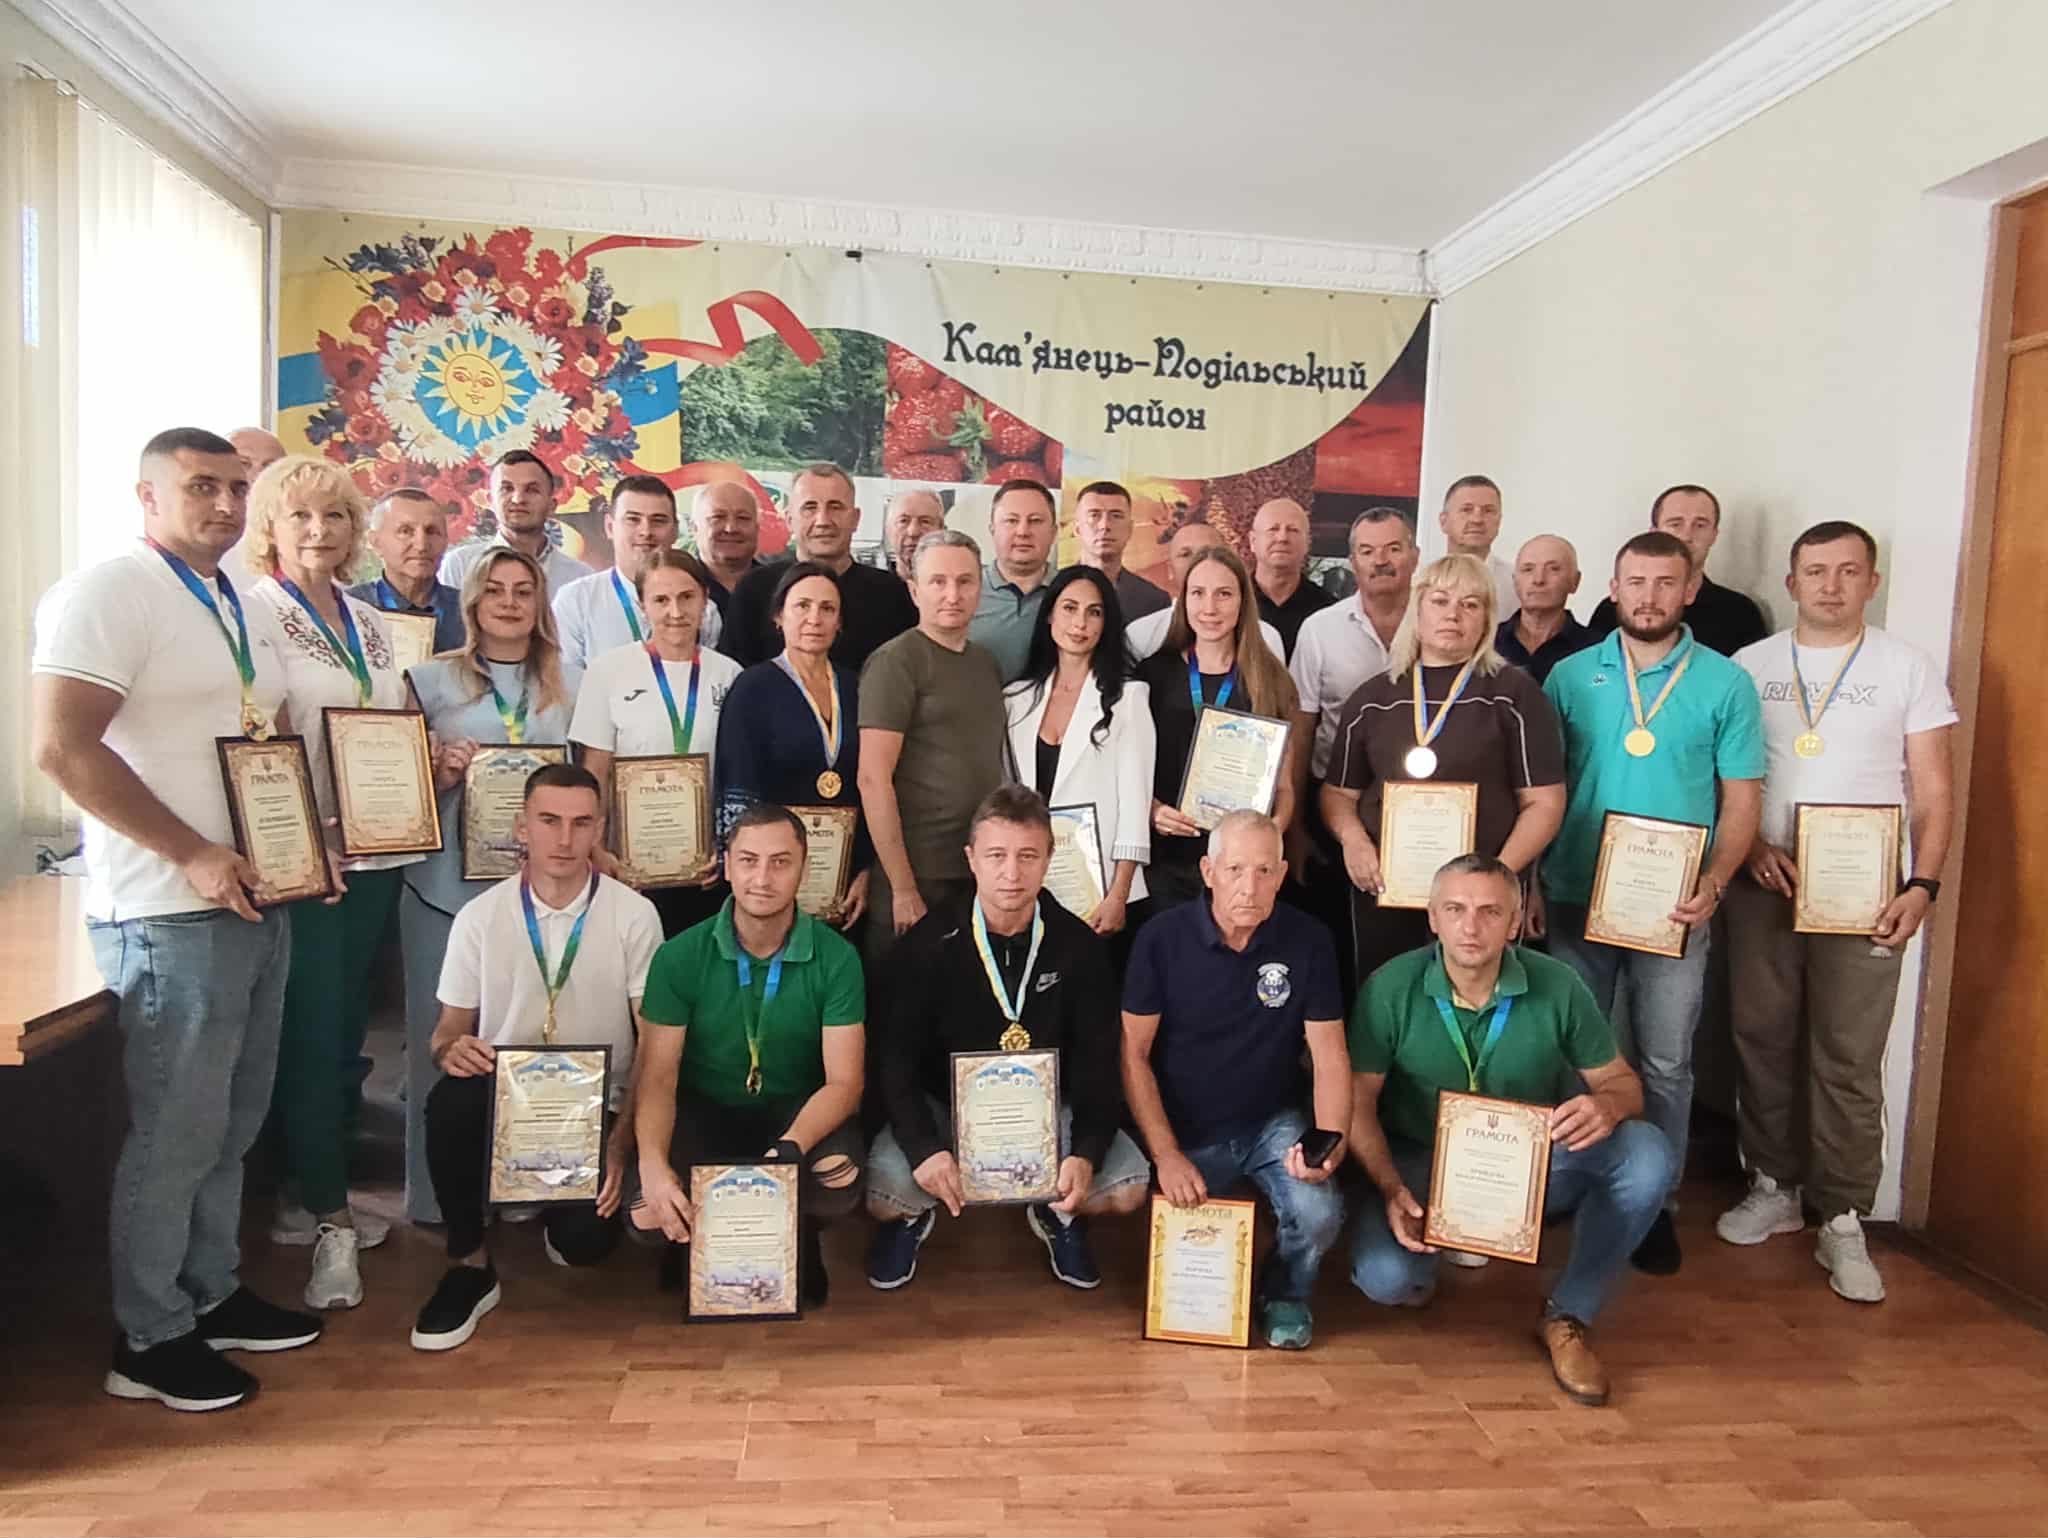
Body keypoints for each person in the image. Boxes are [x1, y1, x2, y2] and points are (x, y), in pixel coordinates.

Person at [32, 427, 322, 1413]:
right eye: (202, 487)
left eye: (238, 488)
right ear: (147, 496)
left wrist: (304, 848)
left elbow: (259, 739)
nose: (226, 505)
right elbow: (62, 749)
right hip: (168, 909)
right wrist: (191, 851)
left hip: (259, 895)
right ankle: (149, 1335)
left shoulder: (234, 597)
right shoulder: (109, 592)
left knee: (232, 1123)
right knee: (174, 1130)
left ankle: (211, 1289)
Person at [1717, 520, 1956, 1303]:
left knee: (1848, 1052)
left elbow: (1934, 791)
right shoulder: (1750, 666)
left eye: (1848, 571)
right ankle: (1774, 1185)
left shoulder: (1905, 667)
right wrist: (1749, 849)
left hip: (1867, 889)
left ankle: (1844, 1215)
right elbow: (1727, 778)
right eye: (1816, 571)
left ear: (1871, 583)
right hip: (1766, 879)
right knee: (1761, 1036)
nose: (1831, 585)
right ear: (1791, 583)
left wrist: (1922, 885)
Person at [1346, 855, 1674, 1406]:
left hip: (1529, 1164)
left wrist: (1608, 1106)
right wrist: (1388, 1186)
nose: (1471, 927)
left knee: (1648, 1156)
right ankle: (1433, 1261)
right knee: (1386, 1278)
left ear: (1516, 922)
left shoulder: (1559, 984)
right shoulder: (1389, 987)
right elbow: (1356, 1103)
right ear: (1432, 917)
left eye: (1490, 912)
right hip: (1422, 1165)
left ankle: (1568, 1314)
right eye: (1455, 910)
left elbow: (1622, 1083)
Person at [1539, 531, 1765, 1276]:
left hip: (1676, 909)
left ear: (1690, 589)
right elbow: (1542, 787)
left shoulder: (1725, 683)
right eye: (1635, 582)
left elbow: (1742, 800)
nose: (1649, 597)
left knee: (1667, 1061)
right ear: (1613, 588)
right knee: (1578, 1051)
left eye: (1666, 583)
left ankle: (1655, 1202)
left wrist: (1715, 883)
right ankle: (1572, 1178)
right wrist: (1532, 880)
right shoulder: (1572, 675)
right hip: (1575, 895)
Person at [243, 456, 420, 1310]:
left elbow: (393, 723)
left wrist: (429, 765)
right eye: (301, 516)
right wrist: (310, 840)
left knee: (348, 1032)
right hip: (310, 861)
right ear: (271, 528)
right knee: (313, 1034)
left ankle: (310, 1191)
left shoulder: (372, 620)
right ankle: (330, 1222)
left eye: (336, 516)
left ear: (356, 531)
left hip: (378, 854)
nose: (320, 531)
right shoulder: (255, 614)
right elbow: (264, 741)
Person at [409, 764, 658, 1351]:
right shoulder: (479, 917)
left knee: (585, 1246)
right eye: (549, 821)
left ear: (600, 829)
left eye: (580, 823)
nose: (564, 839)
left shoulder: (634, 914)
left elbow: (654, 1043)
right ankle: (469, 1264)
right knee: (449, 1103)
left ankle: (548, 1207)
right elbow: (446, 1031)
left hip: (594, 1106)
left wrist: (621, 1142)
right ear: (522, 827)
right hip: (506, 1098)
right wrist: (450, 1050)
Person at [867, 787, 1150, 1290]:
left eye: (1027, 856)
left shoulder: (1079, 946)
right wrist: (925, 1149)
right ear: (971, 858)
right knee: (887, 1190)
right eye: (996, 855)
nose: (1012, 873)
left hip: (1043, 1115)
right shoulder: (928, 944)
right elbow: (896, 1060)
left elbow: (1097, 1062)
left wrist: (1084, 1152)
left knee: (1128, 1185)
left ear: (1049, 858)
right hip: (946, 1110)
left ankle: (1056, 1212)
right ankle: (913, 1217)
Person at [1121, 811, 1350, 1349]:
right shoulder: (1160, 939)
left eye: (1265, 871)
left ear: (1282, 874)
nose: (1250, 887)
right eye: (1235, 870)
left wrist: (1329, 1142)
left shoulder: (1309, 940)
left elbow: (1330, 1055)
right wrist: (1165, 1154)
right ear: (1208, 872)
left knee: (1319, 1211)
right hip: (1185, 1132)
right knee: (1185, 1272)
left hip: (1273, 1124)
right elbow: (1133, 1054)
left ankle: (1285, 1293)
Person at [399, 546, 578, 1224]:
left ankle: (523, 1186)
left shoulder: (571, 682)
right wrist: (441, 772)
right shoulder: (428, 680)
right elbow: (396, 796)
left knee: (530, 1036)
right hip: (445, 891)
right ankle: (437, 1200)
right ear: (472, 602)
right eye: (495, 590)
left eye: (523, 590)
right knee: (443, 1042)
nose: (509, 602)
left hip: (541, 894)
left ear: (540, 604)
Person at [630, 804, 867, 1305]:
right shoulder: (678, 956)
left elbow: (845, 1083)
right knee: (642, 1212)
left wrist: (790, 1150)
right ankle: (687, 1242)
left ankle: (799, 1236)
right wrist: (651, 1164)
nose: (762, 878)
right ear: (727, 865)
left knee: (839, 1177)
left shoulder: (838, 957)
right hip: (703, 1109)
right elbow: (658, 1078)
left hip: (794, 1113)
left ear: (804, 868)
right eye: (748, 860)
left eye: (780, 862)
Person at [1323, 551, 1565, 982]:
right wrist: (1354, 840)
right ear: (1416, 610)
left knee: (1478, 1001)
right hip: (1387, 893)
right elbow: (1338, 794)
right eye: (1440, 601)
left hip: (1480, 904)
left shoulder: (1515, 695)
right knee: (1388, 998)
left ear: (1487, 619)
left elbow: (1544, 803)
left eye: (1470, 604)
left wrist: (1497, 878)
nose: (1453, 614)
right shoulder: (1373, 698)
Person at [569, 549, 744, 936]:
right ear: (643, 606)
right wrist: (597, 848)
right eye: (661, 600)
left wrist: (727, 848)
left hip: (706, 869)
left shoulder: (729, 674)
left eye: (687, 597)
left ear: (705, 599)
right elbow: (594, 771)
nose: (675, 612)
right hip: (628, 867)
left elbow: (738, 775)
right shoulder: (607, 672)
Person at [856, 530, 1008, 952]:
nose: (952, 594)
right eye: (938, 581)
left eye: (965, 581)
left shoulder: (985, 663)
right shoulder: (896, 662)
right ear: (914, 590)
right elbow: (872, 779)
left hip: (976, 870)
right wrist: (902, 887)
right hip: (916, 875)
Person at [1134, 545, 1300, 913]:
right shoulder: (1151, 675)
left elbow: (1285, 786)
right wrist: (1152, 810)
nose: (1209, 608)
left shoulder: (1271, 680)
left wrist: (1273, 831)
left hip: (1242, 870)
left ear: (1243, 602)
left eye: (1223, 594)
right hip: (1167, 861)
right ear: (1183, 600)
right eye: (1198, 593)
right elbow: (1127, 772)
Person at [715, 563, 872, 928]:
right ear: (778, 616)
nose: (814, 618)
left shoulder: (856, 688)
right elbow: (738, 785)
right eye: (802, 606)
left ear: (839, 622)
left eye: (827, 608)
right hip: (772, 869)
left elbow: (869, 782)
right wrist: (750, 870)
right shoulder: (753, 687)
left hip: (843, 876)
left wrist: (867, 869)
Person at [1002, 566, 1155, 936]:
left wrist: (1119, 893)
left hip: (1102, 890)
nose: (1080, 623)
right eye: (1069, 608)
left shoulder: (1128, 699)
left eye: (1094, 612)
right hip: (1031, 881)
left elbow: (1135, 805)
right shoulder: (1014, 700)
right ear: (1050, 614)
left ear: (1106, 623)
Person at [723, 463, 916, 671]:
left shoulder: (893, 595)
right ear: (789, 519)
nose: (823, 520)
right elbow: (733, 674)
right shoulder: (754, 589)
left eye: (835, 507)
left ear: (855, 519)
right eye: (810, 507)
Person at [1289, 507, 1418, 782]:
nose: (1380, 561)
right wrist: (1297, 805)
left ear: (1415, 557)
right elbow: (1302, 724)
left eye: (1393, 549)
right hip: (1333, 786)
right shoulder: (1319, 629)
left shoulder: (1441, 624)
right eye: (1367, 551)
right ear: (1353, 562)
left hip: (1420, 790)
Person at [553, 475, 716, 672]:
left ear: (675, 531)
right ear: (610, 527)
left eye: (658, 521)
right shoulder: (576, 601)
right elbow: (567, 682)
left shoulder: (705, 611)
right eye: (633, 519)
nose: (646, 531)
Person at [1587, 485, 1770, 657]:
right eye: (1675, 524)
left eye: (1700, 525)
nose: (1687, 536)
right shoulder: (1614, 611)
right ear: (1654, 531)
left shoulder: (1740, 613)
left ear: (1714, 535)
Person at [438, 449, 595, 598]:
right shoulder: (460, 565)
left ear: (551, 506)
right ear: (490, 501)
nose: (518, 499)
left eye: (532, 490)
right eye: (507, 488)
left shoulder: (581, 577)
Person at [1126, 520, 1285, 661]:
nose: (1198, 562)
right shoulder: (1140, 635)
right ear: (1170, 568)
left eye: (1208, 552)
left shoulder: (1265, 637)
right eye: (1185, 554)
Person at [350, 488, 465, 654]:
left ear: (446, 540)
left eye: (432, 531)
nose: (421, 545)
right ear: (375, 542)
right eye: (405, 531)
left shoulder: (469, 611)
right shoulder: (349, 608)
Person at [968, 478, 1058, 682]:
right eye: (1011, 521)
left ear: (1053, 533)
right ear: (993, 530)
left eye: (1035, 521)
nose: (1023, 532)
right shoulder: (963, 591)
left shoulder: (1071, 594)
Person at [1496, 535, 1595, 684]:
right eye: (1528, 569)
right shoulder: (1485, 643)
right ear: (1515, 581)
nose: (1539, 580)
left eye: (1553, 569)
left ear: (1575, 581)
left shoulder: (1595, 650)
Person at [1248, 496, 1333, 660]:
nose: (1282, 538)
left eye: (1293, 530)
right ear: (1253, 541)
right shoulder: (1233, 603)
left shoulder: (1327, 612)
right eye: (1273, 529)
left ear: (1307, 543)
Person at [1072, 480, 1169, 621]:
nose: (1105, 525)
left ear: (1130, 529)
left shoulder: (1155, 601)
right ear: (1077, 529)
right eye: (1094, 515)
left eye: (1116, 516)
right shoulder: (1052, 590)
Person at [689, 479, 762, 624]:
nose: (731, 528)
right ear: (694, 529)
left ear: (757, 528)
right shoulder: (678, 588)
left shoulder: (780, 588)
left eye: (743, 518)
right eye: (717, 517)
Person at [883, 488, 947, 584]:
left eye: (925, 521)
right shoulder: (871, 586)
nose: (913, 532)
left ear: (941, 530)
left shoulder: (955, 588)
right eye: (903, 521)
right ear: (888, 530)